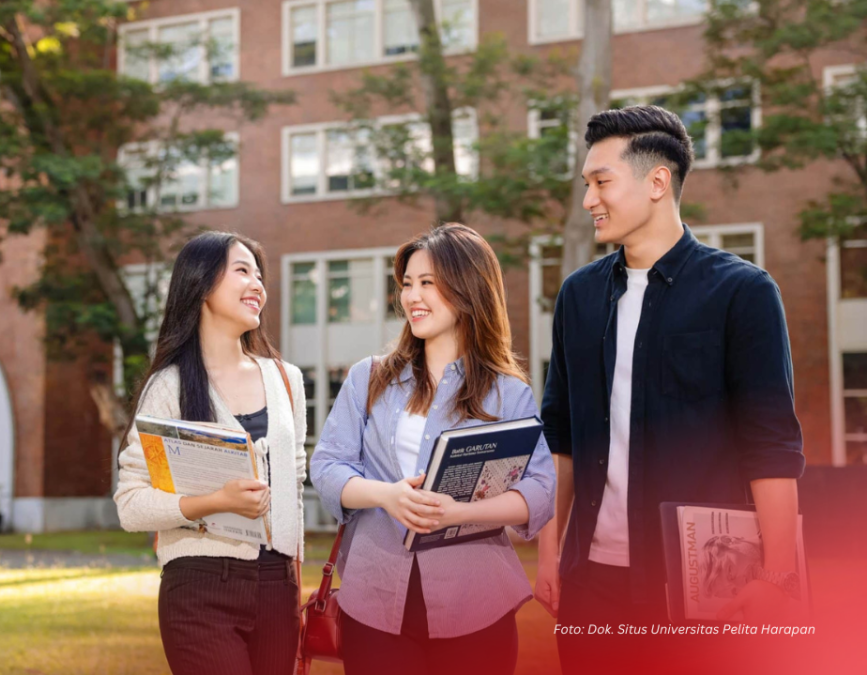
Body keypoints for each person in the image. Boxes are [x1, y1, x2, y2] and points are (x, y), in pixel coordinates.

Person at [534, 105, 805, 674]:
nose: (589, 201)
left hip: (703, 590)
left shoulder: (743, 293)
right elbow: (559, 436)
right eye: (587, 184)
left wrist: (778, 577)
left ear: (658, 181)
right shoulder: (578, 297)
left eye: (602, 182)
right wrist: (550, 554)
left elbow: (772, 446)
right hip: (593, 587)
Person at [310, 224, 555, 675]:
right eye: (406, 284)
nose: (412, 297)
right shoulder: (369, 377)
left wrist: (458, 513)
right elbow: (326, 465)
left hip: (477, 603)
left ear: (467, 289)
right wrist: (386, 495)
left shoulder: (508, 393)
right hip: (375, 600)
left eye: (428, 282)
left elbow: (540, 491)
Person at [113, 231, 307, 675]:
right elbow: (130, 505)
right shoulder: (169, 387)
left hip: (278, 587)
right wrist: (215, 503)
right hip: (199, 586)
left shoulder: (286, 379)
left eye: (260, 274)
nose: (257, 284)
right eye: (242, 271)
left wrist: (293, 579)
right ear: (201, 284)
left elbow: (293, 485)